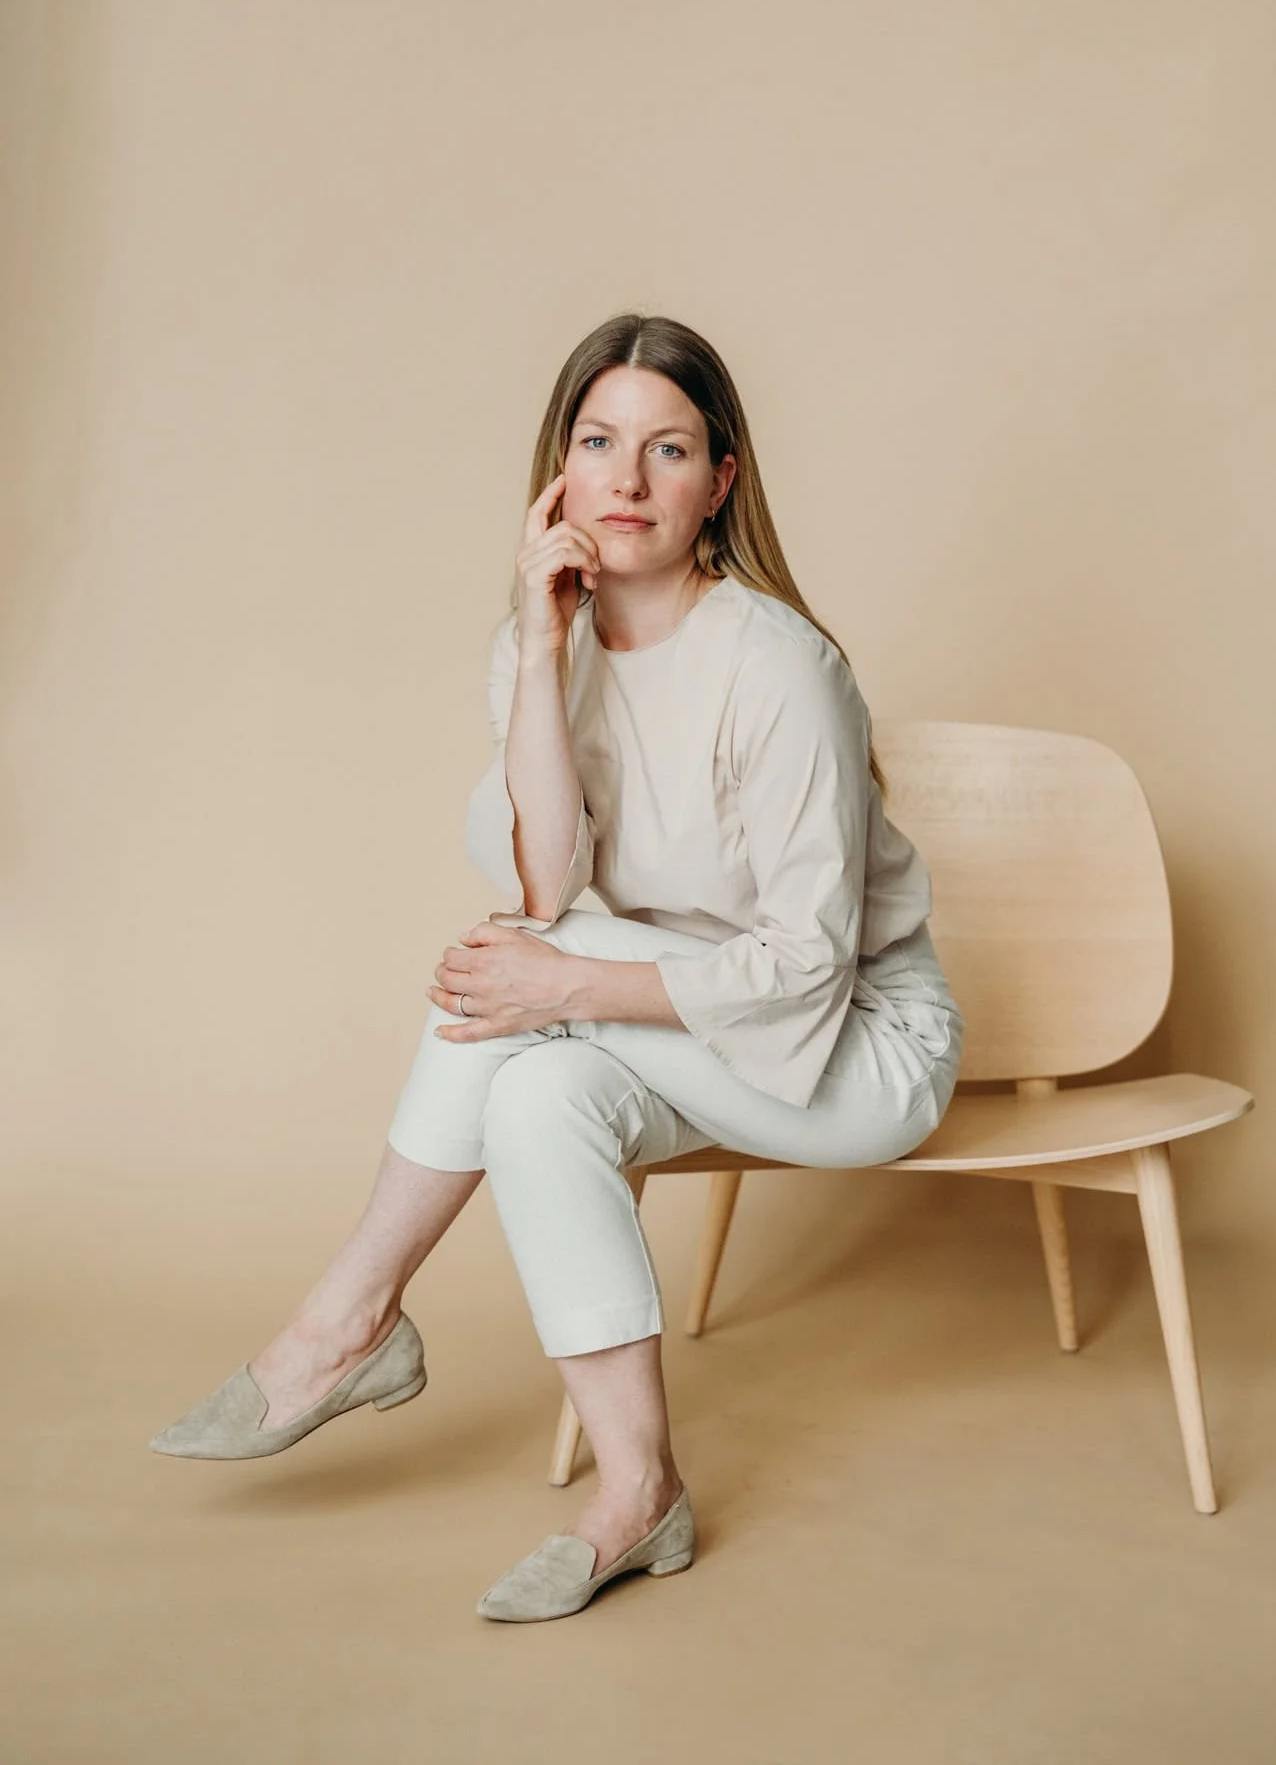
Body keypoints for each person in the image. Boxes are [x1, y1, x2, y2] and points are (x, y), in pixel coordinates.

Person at [149, 311, 965, 1623]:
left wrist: (571, 985)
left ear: (721, 481)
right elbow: (546, 884)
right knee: (534, 1091)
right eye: (598, 443)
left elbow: (806, 968)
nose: (627, 480)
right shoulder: (540, 645)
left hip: (858, 1051)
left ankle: (345, 1323)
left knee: (542, 964)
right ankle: (638, 1494)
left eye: (668, 449)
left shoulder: (779, 668)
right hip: (687, 1031)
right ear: (558, 469)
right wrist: (540, 650)